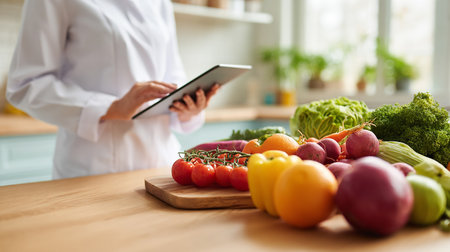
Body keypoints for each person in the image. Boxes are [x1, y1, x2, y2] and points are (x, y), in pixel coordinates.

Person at [6, 0, 219, 179]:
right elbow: (25, 85)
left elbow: (172, 77)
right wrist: (111, 107)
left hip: (162, 166)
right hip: (94, 169)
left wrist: (188, 106)